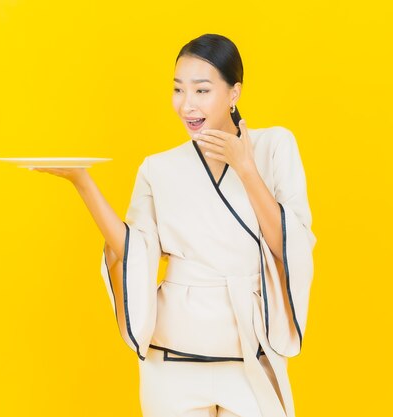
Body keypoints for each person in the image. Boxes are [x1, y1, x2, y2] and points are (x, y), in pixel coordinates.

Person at [32, 33, 317, 417]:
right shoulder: (158, 168)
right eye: (178, 90)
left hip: (252, 356)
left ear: (234, 93)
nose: (186, 105)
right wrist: (83, 182)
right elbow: (133, 252)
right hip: (173, 361)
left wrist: (245, 167)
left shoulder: (274, 147)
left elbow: (291, 248)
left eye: (201, 90)